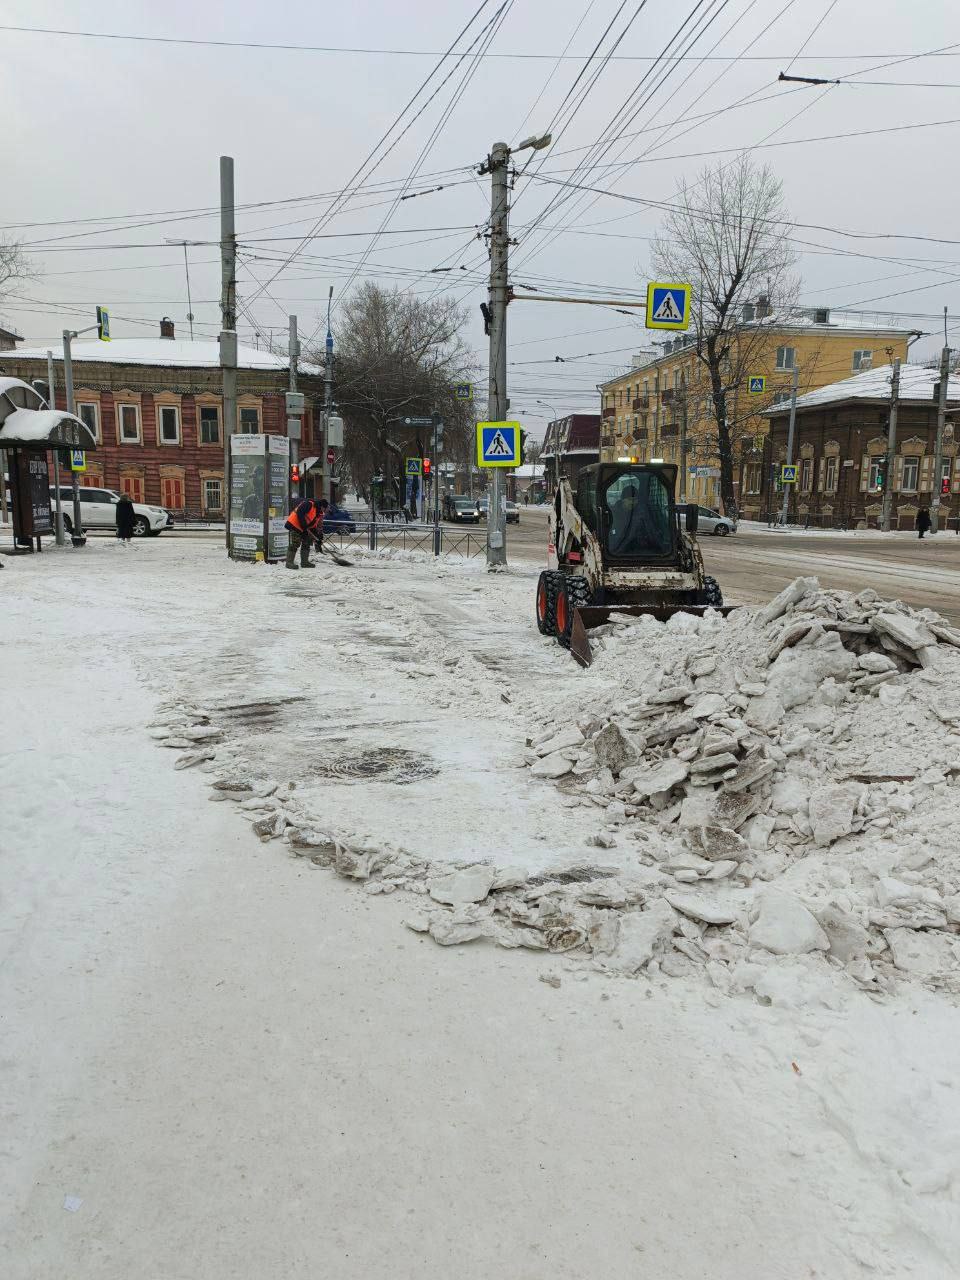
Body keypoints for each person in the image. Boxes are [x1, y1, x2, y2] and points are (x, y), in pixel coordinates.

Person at [284, 496, 328, 570]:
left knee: (307, 542)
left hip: (304, 527)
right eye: (325, 508)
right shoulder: (309, 504)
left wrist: (317, 539)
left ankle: (304, 562)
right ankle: (289, 562)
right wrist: (304, 526)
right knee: (295, 543)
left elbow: (313, 526)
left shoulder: (318, 513)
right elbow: (299, 512)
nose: (325, 511)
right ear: (322, 506)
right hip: (295, 524)